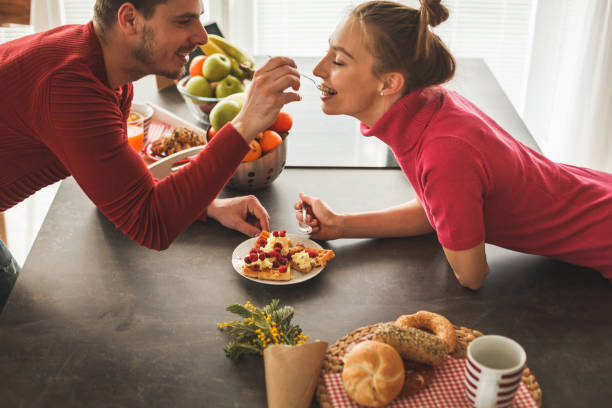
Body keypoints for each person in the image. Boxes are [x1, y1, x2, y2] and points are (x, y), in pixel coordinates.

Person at [0, 0, 301, 309]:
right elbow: (150, 224)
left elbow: (120, 191)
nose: (203, 37)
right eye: (184, 21)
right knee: (18, 341)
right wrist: (244, 124)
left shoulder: (107, 70)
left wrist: (206, 206)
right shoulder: (71, 86)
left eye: (199, 20)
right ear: (130, 19)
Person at [294, 0, 612, 290]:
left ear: (389, 83)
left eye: (337, 60)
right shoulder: (430, 106)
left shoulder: (443, 152)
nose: (318, 69)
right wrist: (341, 225)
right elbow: (438, 211)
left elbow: (471, 275)